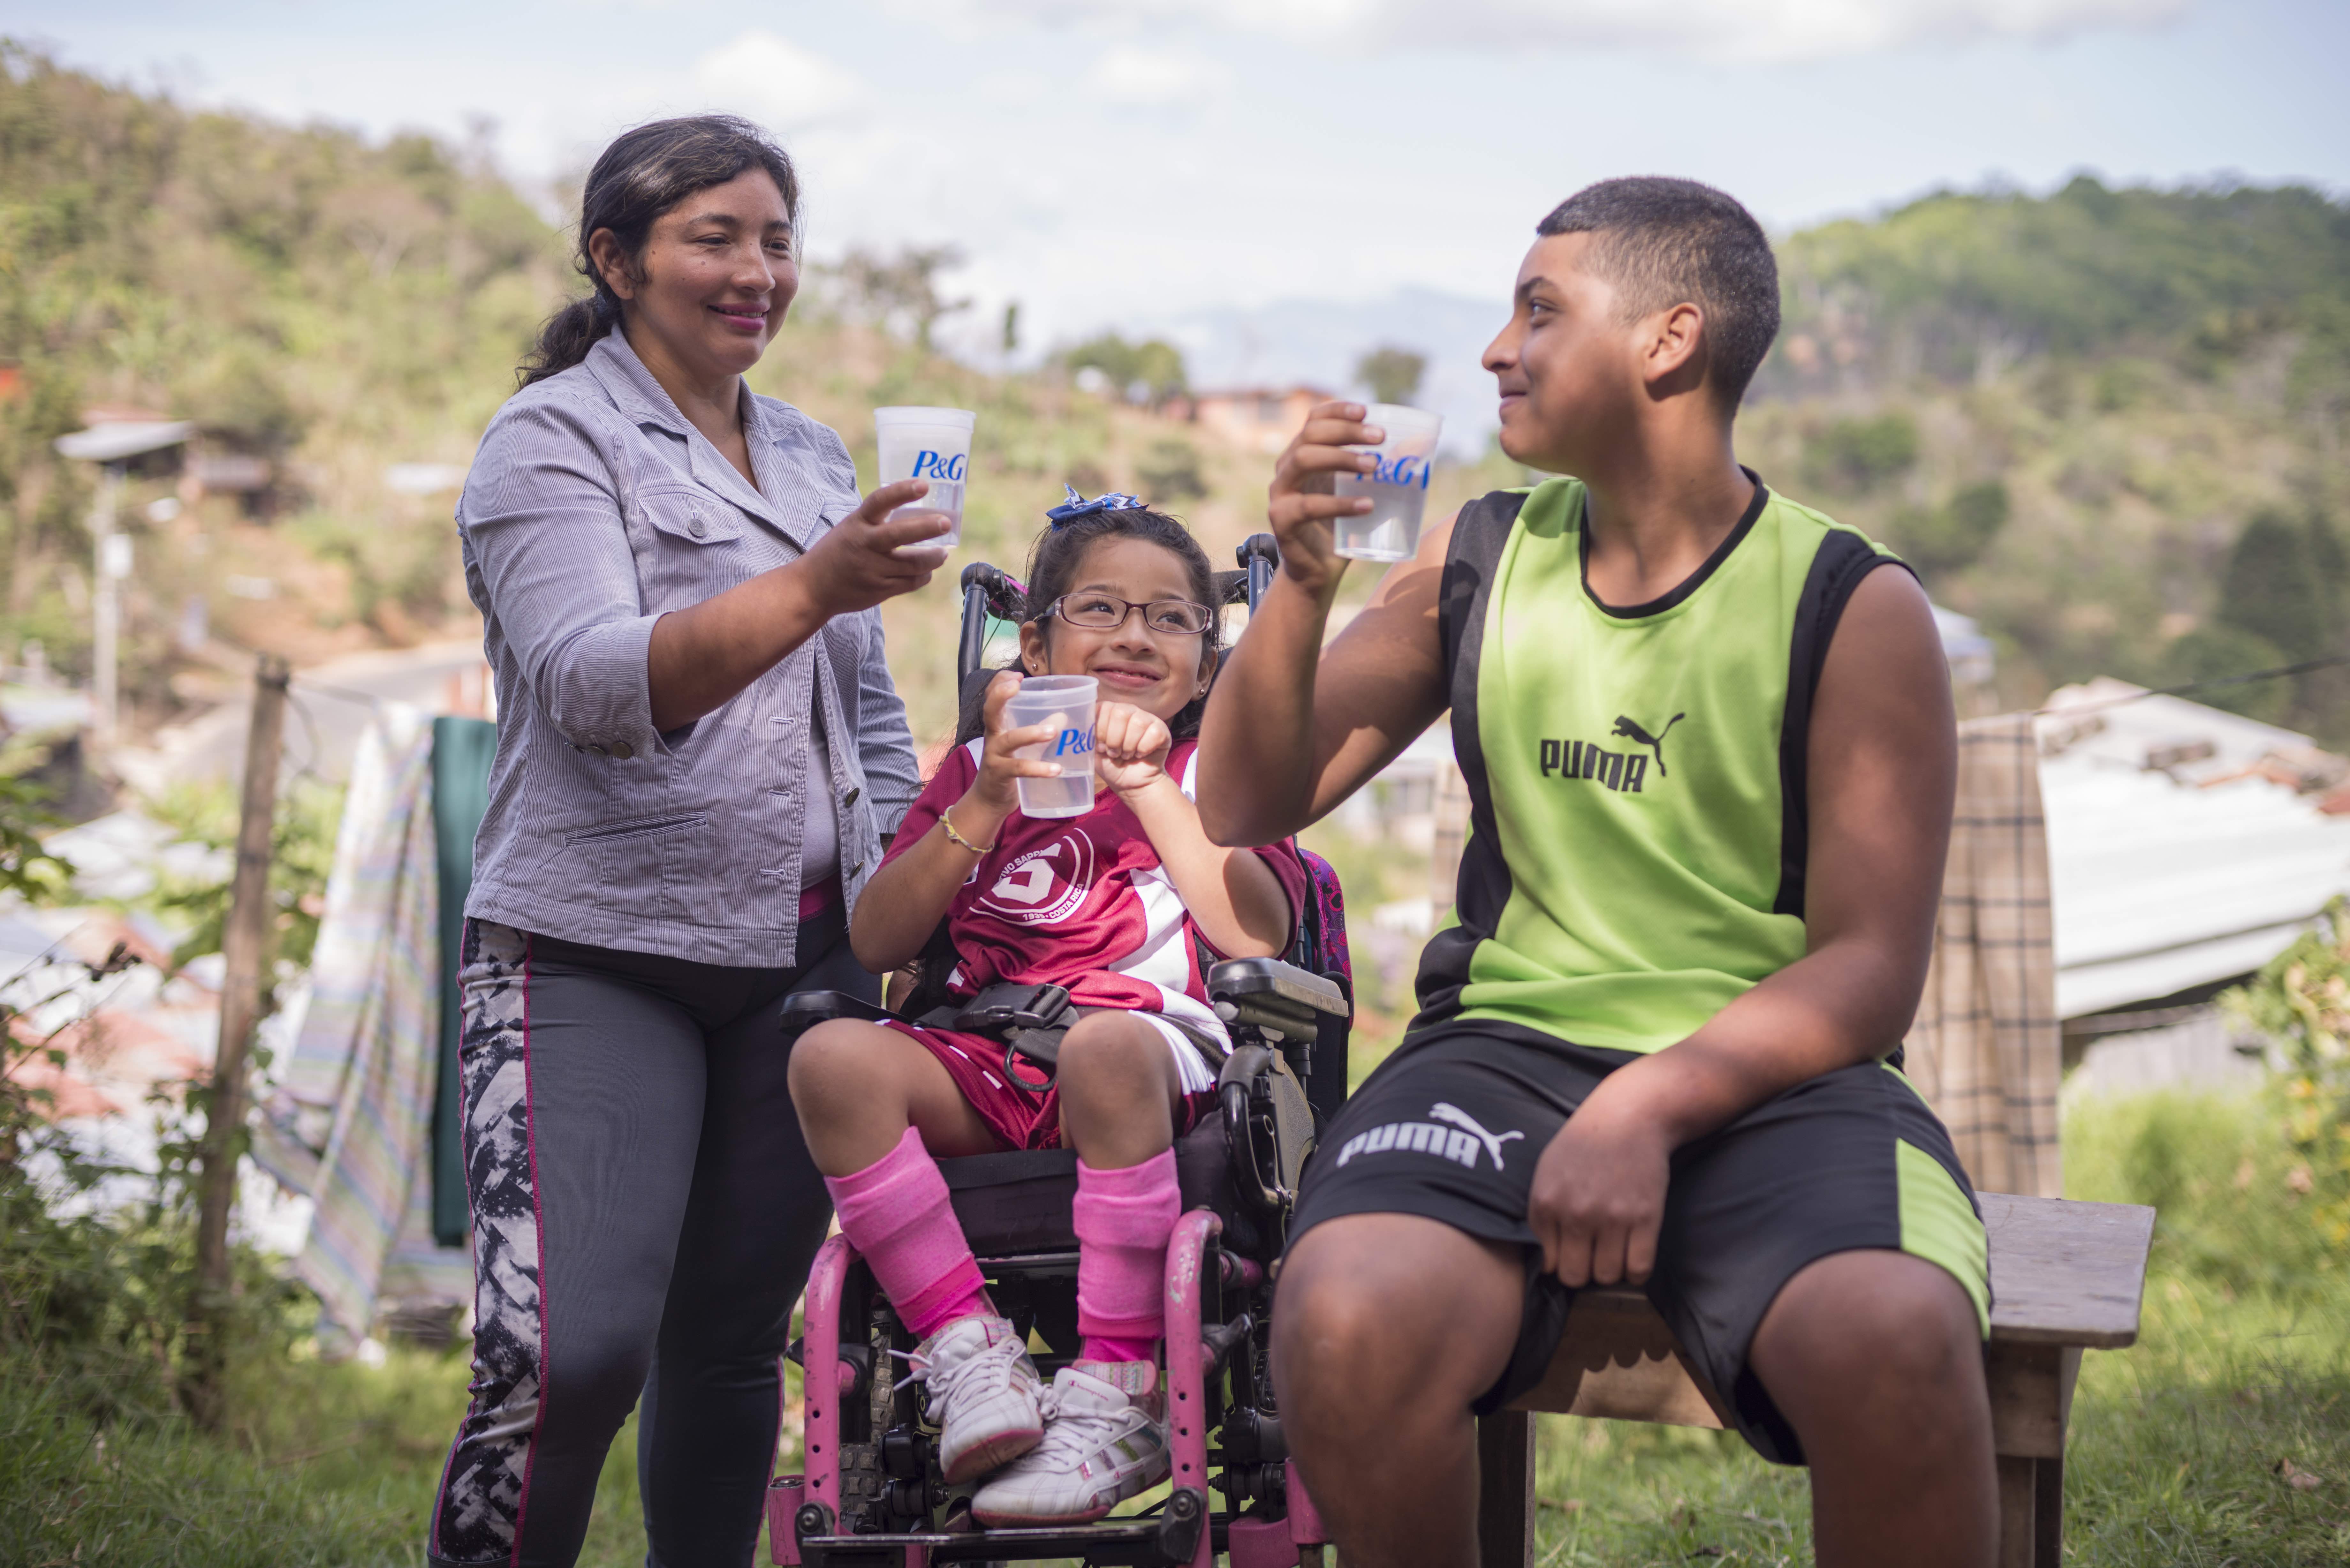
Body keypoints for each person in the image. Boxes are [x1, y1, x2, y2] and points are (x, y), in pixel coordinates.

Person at [1197, 177, 1996, 1567]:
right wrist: (1302, 589)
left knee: (1895, 1333)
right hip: (1501, 1055)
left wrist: (1647, 1107)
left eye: (1537, 311)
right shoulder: (1481, 561)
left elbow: (1868, 970)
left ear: (1667, 341)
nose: (1498, 351)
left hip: (1771, 1076)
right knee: (1343, 1311)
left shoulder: (1853, 602)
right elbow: (1246, 797)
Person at [428, 117, 951, 1568]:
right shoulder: (547, 439)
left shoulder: (807, 447)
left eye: (776, 239)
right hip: (602, 953)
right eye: (714, 237)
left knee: (728, 1353)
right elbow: (596, 685)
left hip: (805, 962)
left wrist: (899, 896)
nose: (756, 270)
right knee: (572, 1354)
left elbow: (866, 716)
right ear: (617, 257)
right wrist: (817, 577)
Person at [786, 492, 1308, 1527]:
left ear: (1209, 664)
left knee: (1107, 1051)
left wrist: (1152, 786)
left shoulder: (1221, 770)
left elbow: (1255, 934)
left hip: (1148, 1058)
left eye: (1173, 619)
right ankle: (968, 1354)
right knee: (830, 1059)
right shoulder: (981, 768)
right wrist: (985, 799)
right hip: (985, 1050)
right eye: (1102, 608)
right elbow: (883, 939)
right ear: (1033, 643)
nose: (1134, 635)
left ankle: (1119, 1391)